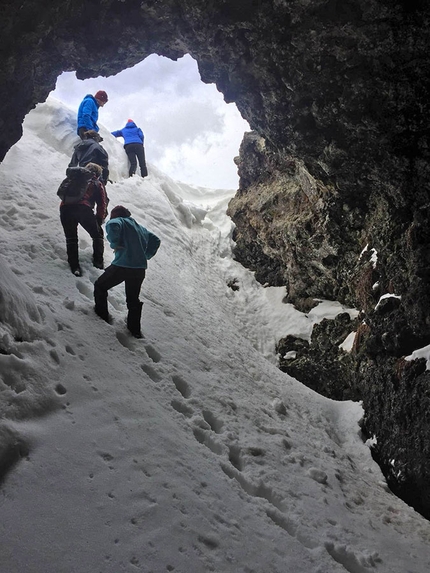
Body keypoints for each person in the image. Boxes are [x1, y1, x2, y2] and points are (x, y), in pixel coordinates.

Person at [94, 205, 160, 338]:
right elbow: (156, 240)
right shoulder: (139, 227)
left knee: (100, 286)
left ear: (116, 214)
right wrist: (145, 255)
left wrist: (115, 243)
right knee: (133, 300)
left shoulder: (118, 221)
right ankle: (134, 330)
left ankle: (101, 317)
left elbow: (113, 226)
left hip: (122, 265)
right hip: (139, 269)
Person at [60, 163, 108, 276]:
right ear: (97, 173)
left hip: (65, 208)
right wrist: (99, 220)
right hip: (83, 209)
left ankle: (74, 266)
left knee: (71, 238)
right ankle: (98, 263)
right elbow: (102, 204)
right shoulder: (96, 182)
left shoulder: (73, 177)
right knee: (97, 235)